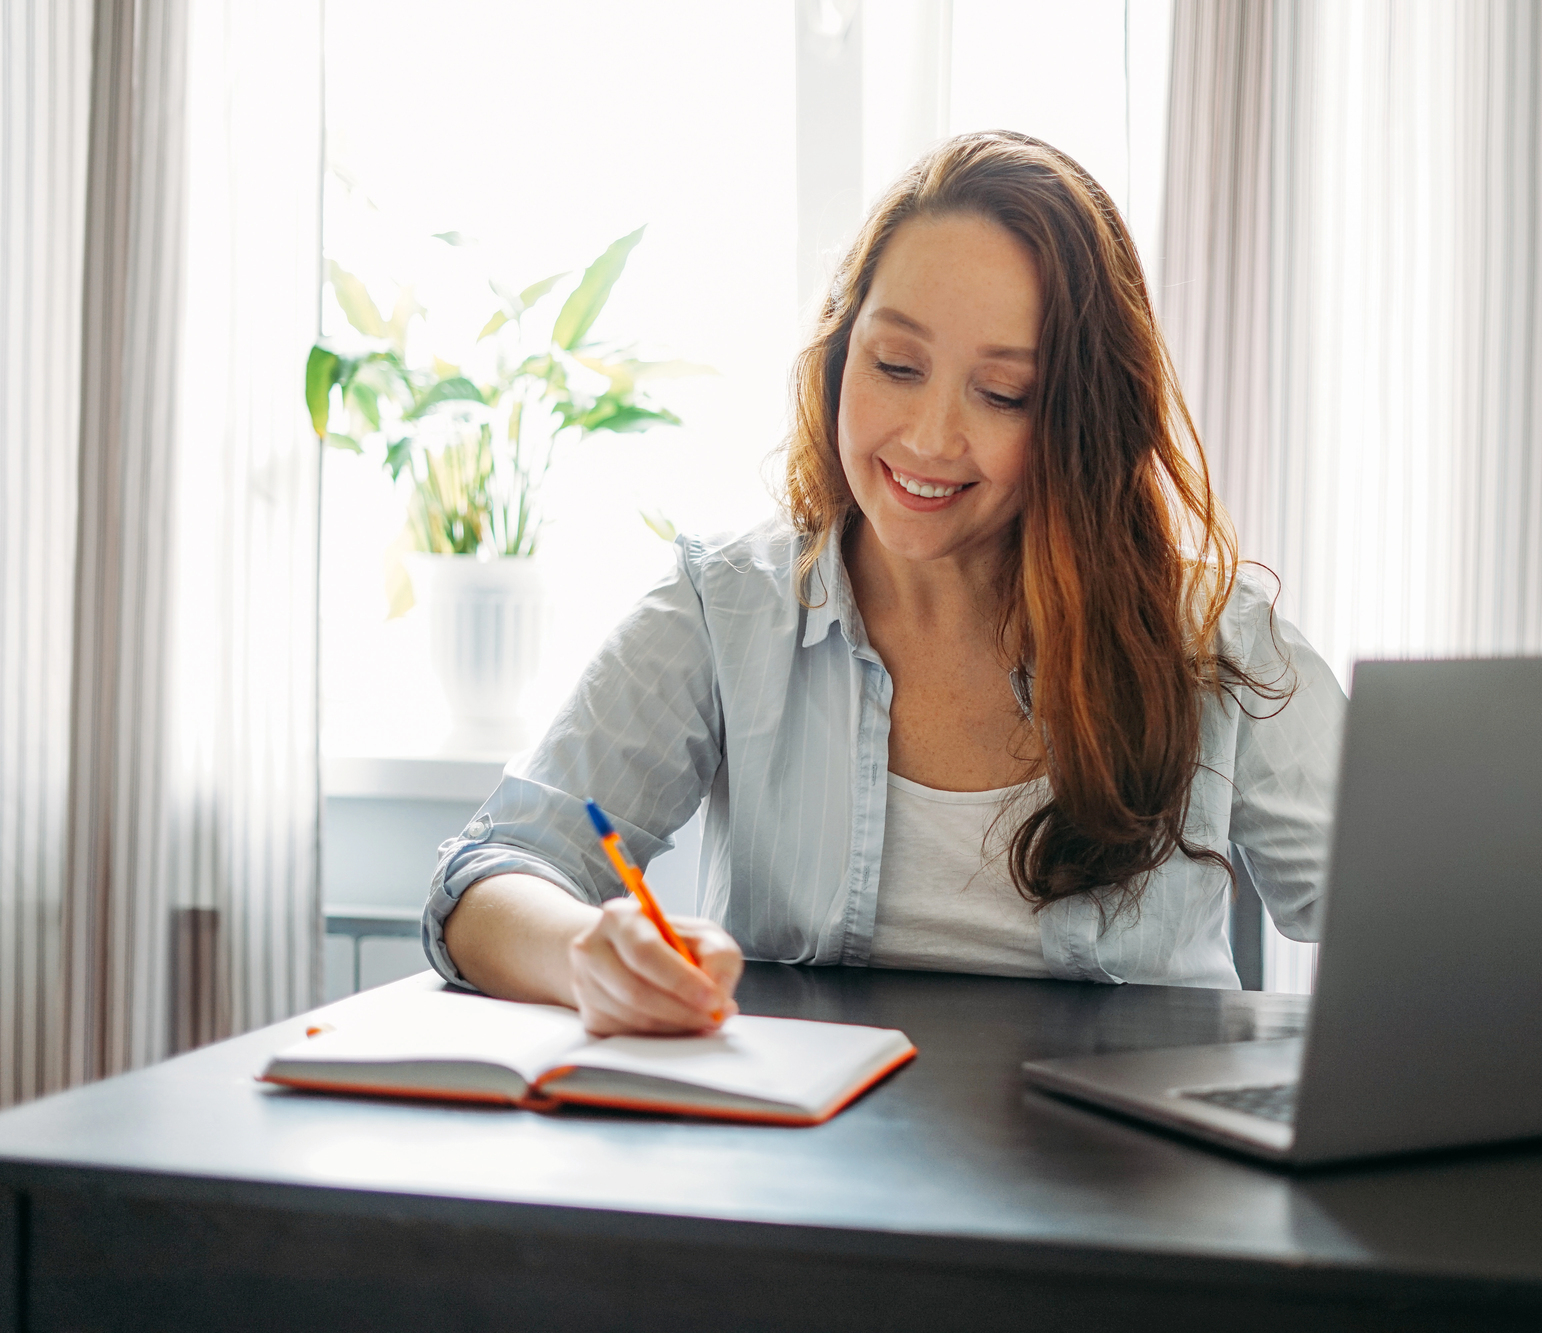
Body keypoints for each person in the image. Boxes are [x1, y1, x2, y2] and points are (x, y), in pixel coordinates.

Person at [424, 131, 1345, 1036]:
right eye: (896, 366)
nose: (930, 438)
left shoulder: (1213, 638)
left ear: (1082, 418)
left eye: (1004, 393)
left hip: (1119, 1141)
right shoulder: (726, 605)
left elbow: (1406, 919)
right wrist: (585, 953)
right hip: (812, 1134)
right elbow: (490, 874)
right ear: (839, 351)